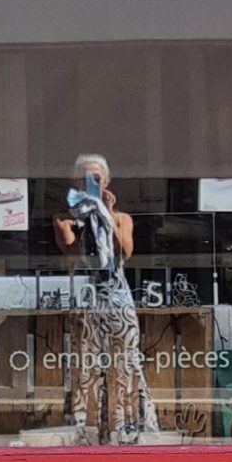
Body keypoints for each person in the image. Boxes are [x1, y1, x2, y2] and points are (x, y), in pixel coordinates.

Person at [53, 154, 156, 444]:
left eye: (96, 179)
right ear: (76, 182)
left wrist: (107, 215)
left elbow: (126, 252)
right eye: (85, 178)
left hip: (118, 294)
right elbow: (71, 252)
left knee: (127, 360)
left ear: (107, 182)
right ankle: (86, 431)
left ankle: (130, 428)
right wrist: (85, 218)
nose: (91, 183)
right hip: (88, 295)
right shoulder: (65, 218)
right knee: (86, 363)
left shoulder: (122, 218)